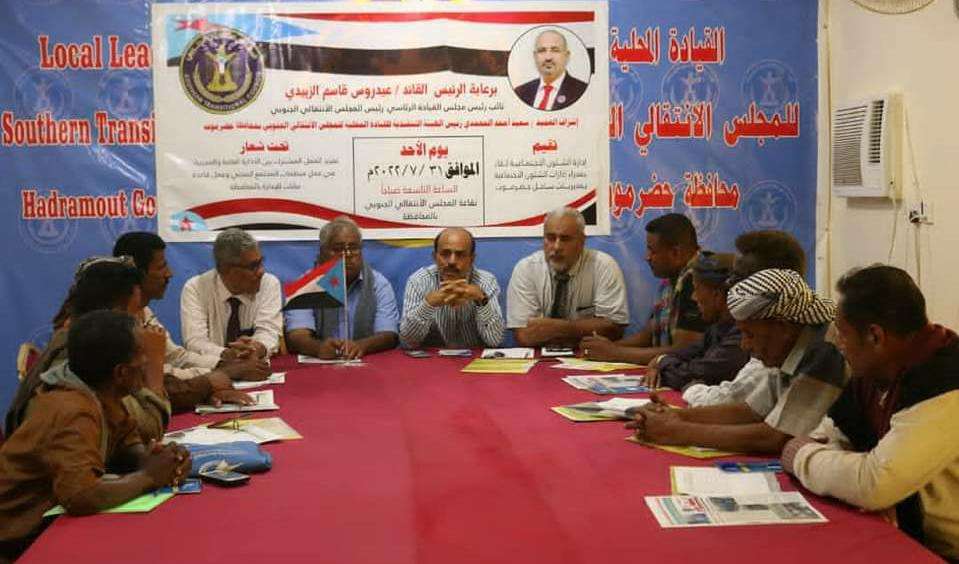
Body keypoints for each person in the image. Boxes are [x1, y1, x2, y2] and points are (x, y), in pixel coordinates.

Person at [782, 266, 959, 560]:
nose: (836, 343)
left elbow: (875, 483)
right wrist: (849, 479)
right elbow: (828, 436)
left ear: (875, 336)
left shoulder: (946, 379)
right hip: (908, 534)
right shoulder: (876, 372)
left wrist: (799, 455)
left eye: (842, 334)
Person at [0, 310, 190, 561]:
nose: (147, 361)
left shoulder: (102, 390)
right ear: (121, 372)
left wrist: (153, 458)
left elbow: (126, 443)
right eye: (141, 354)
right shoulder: (71, 409)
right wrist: (149, 477)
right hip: (16, 544)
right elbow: (81, 496)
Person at [5, 257, 252, 442]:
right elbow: (148, 429)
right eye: (134, 312)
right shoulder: (84, 355)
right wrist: (154, 362)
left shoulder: (85, 337)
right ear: (114, 314)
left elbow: (139, 395)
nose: (139, 322)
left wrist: (203, 389)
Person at [628, 268, 847, 455]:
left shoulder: (824, 350)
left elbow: (776, 437)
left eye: (749, 334)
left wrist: (675, 430)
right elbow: (751, 411)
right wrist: (674, 415)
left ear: (782, 327)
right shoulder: (786, 345)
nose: (744, 345)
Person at [114, 232, 269, 382]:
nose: (169, 273)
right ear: (139, 274)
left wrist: (223, 365)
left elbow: (177, 357)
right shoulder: (115, 323)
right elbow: (153, 377)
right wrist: (224, 372)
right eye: (161, 267)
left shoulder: (145, 311)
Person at [682, 230, 806, 407]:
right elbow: (750, 410)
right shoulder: (768, 329)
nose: (729, 285)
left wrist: (690, 390)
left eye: (737, 279)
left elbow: (731, 401)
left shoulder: (780, 338)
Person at [582, 213, 706, 364]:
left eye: (653, 251)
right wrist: (604, 347)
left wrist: (615, 353)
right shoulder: (670, 280)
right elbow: (648, 335)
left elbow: (684, 351)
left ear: (675, 253)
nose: (647, 257)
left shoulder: (698, 280)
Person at [507, 207, 628, 347]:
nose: (556, 247)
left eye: (565, 239)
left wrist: (555, 327)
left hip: (591, 355)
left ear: (582, 241)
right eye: (551, 238)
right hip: (540, 356)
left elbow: (614, 329)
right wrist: (587, 327)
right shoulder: (526, 269)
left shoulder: (603, 266)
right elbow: (524, 336)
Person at [285, 216, 399, 359]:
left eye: (353, 248)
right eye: (338, 249)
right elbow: (297, 335)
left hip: (365, 363)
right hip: (320, 364)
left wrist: (361, 346)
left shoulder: (378, 284)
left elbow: (389, 335)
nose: (347, 255)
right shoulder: (305, 286)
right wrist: (318, 348)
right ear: (322, 252)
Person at [643, 251, 750, 391]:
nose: (694, 297)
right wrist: (660, 360)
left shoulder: (740, 336)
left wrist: (662, 363)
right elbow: (685, 354)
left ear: (717, 295)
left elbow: (688, 376)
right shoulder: (718, 328)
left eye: (697, 289)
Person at [180, 228, 282, 360]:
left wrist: (257, 348)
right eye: (253, 266)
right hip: (213, 367)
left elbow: (269, 331)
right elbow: (195, 341)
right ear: (225, 269)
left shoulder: (268, 283)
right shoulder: (196, 288)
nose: (261, 271)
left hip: (255, 364)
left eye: (261, 262)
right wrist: (227, 355)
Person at [399, 227, 505, 348]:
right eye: (445, 254)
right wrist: (428, 305)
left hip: (474, 357)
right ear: (434, 257)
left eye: (460, 255)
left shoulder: (486, 282)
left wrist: (481, 299)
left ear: (472, 259)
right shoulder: (419, 281)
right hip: (433, 358)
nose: (452, 261)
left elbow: (495, 341)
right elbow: (408, 342)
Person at [513, 29, 588, 111]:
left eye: (555, 50)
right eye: (542, 51)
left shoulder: (582, 91)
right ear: (535, 56)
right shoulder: (520, 92)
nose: (548, 57)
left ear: (567, 56)